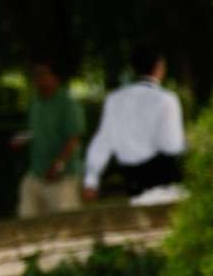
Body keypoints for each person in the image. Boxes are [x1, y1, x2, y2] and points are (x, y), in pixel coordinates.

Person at [81, 47, 186, 204]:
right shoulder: (166, 100)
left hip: (131, 180)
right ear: (159, 67)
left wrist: (91, 180)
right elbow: (172, 145)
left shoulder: (114, 100)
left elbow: (102, 142)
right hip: (163, 180)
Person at [13, 57, 85, 218]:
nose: (38, 80)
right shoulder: (35, 102)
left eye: (43, 75)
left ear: (55, 78)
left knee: (65, 222)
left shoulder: (68, 103)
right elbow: (35, 130)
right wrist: (22, 138)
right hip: (36, 172)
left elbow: (74, 138)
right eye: (36, 75)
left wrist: (58, 165)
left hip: (62, 176)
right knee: (27, 216)